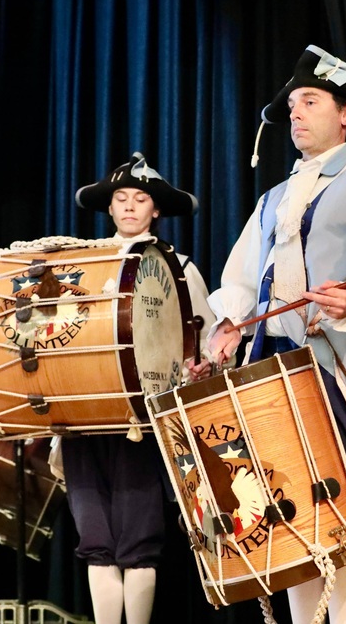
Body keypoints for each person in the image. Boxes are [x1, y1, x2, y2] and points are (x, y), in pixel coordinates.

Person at [206, 45, 346, 624]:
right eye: (292, 105)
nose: (295, 114)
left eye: (310, 102)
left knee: (339, 509)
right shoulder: (273, 197)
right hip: (272, 366)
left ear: (345, 112)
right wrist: (227, 324)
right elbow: (242, 276)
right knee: (290, 510)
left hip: (337, 365)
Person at [58, 152, 215, 624]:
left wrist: (198, 369)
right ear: (109, 208)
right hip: (85, 416)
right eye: (121, 199)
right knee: (96, 540)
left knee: (139, 539)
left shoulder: (180, 267)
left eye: (140, 199)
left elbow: (202, 340)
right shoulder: (83, 264)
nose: (129, 207)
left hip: (142, 420)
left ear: (156, 210)